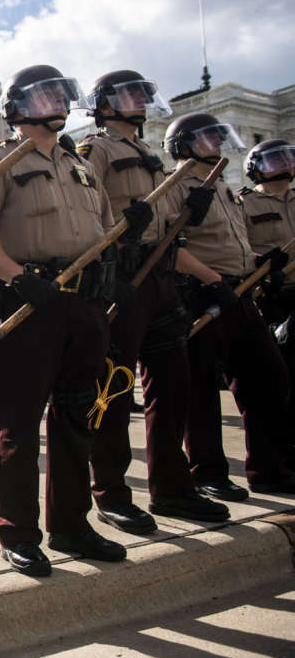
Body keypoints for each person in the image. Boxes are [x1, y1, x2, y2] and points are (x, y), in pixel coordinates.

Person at [0, 64, 145, 577]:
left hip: (83, 306)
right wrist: (18, 279)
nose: (58, 103)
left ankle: (71, 525)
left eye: (62, 95)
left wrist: (128, 238)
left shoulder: (80, 165)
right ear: (18, 108)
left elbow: (105, 232)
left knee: (76, 418)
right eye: (45, 97)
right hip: (31, 303)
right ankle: (18, 532)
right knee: (17, 425)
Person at [78, 70, 228, 533]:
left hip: (161, 276)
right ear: (104, 104)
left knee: (172, 387)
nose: (140, 102)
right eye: (128, 95)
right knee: (116, 387)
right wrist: (109, 263)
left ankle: (172, 486)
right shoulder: (93, 148)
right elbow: (84, 214)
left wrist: (186, 213)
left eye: (143, 94)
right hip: (124, 274)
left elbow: (166, 228)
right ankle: (111, 493)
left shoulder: (152, 155)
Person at [168, 116, 295, 498]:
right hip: (202, 296)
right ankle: (208, 472)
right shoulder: (174, 187)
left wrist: (260, 261)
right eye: (209, 138)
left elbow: (235, 245)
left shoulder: (222, 187)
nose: (218, 145)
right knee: (202, 389)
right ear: (186, 145)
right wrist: (211, 279)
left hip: (238, 294)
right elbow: (170, 247)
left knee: (268, 378)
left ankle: (268, 469)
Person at [240, 138, 295, 478]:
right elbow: (235, 248)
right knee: (277, 383)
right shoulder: (244, 204)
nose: (283, 166)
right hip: (274, 298)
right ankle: (274, 461)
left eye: (287, 158)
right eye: (273, 161)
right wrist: (259, 265)